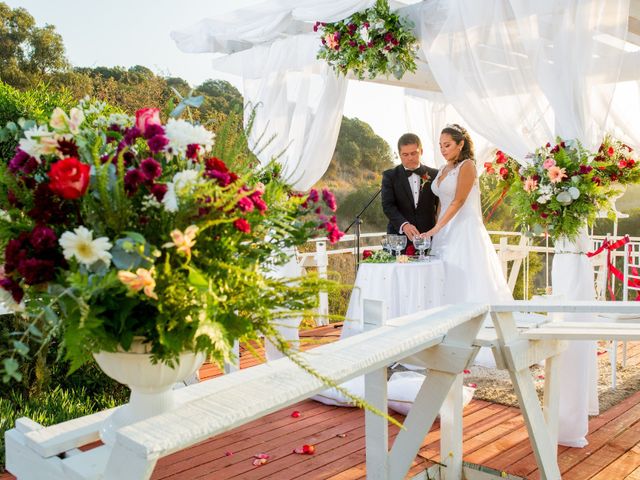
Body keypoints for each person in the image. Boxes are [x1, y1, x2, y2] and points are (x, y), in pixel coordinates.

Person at [422, 124, 512, 366]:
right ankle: (445, 336)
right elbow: (442, 202)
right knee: (445, 279)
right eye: (440, 145)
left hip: (464, 230)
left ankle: (470, 340)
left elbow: (460, 200)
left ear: (460, 144)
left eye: (447, 144)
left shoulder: (468, 166)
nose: (443, 149)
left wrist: (437, 228)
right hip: (443, 231)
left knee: (467, 279)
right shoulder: (442, 168)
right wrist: (435, 230)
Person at [381, 133, 439, 243]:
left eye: (414, 153)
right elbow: (388, 206)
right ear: (399, 154)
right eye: (405, 154)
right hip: (399, 239)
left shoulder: (435, 174)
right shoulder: (389, 176)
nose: (410, 158)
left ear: (421, 151)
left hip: (429, 238)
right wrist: (404, 225)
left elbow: (440, 206)